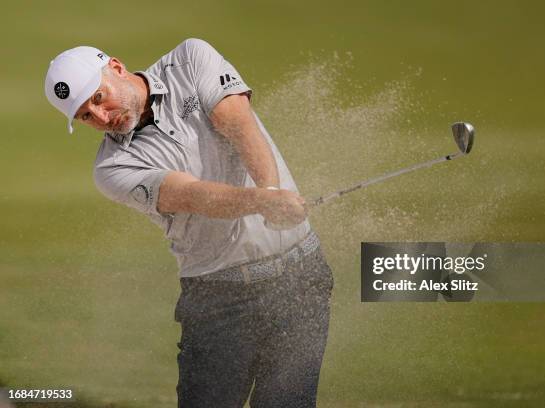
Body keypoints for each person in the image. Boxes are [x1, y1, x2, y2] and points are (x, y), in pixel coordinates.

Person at [44, 39, 333, 407]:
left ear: (116, 67)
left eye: (98, 98)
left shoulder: (190, 59)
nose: (101, 118)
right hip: (219, 301)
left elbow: (238, 124)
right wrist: (264, 201)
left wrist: (271, 190)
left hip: (300, 278)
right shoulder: (112, 169)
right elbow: (193, 195)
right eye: (85, 116)